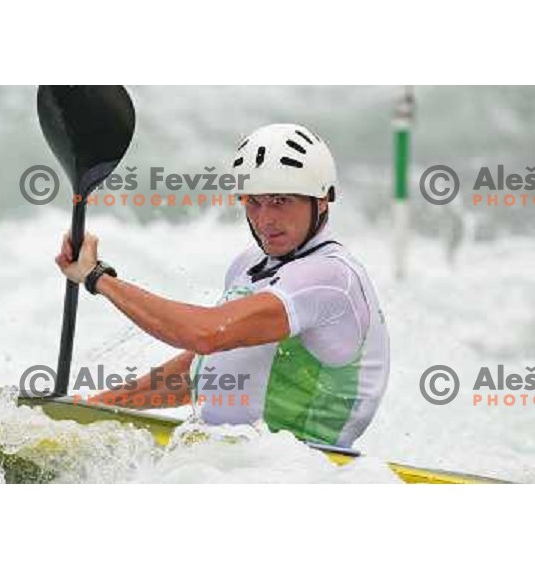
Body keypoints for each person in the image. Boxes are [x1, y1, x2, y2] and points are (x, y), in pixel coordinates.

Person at [55, 123, 390, 448]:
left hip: (302, 472)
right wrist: (96, 407)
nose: (264, 219)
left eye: (281, 200)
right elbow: (206, 365)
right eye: (253, 202)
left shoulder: (329, 278)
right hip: (224, 459)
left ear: (322, 200)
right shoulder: (249, 264)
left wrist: (98, 277)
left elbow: (207, 333)